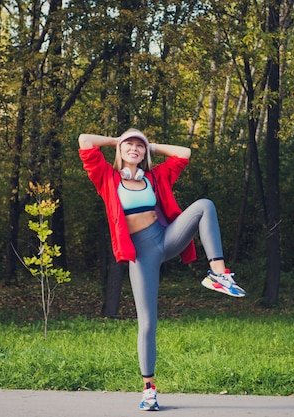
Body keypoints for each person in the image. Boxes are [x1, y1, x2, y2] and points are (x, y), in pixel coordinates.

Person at [78, 128, 246, 411]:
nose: (135, 148)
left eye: (139, 146)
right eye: (129, 145)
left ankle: (218, 273)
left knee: (205, 205)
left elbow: (184, 154)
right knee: (147, 323)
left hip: (165, 239)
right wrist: (117, 141)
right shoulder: (107, 177)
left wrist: (150, 145)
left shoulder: (154, 177)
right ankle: (149, 390)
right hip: (140, 255)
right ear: (119, 150)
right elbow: (84, 141)